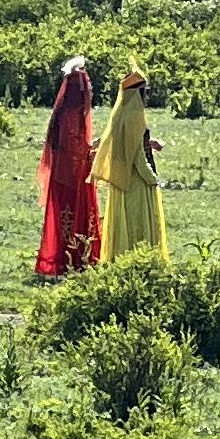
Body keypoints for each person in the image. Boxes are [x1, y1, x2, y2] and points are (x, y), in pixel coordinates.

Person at [35, 54, 99, 281]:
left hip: (70, 173)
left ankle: (76, 258)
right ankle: (70, 260)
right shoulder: (71, 115)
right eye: (87, 88)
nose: (89, 92)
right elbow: (73, 148)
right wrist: (92, 150)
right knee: (69, 217)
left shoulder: (68, 113)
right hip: (70, 176)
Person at [95, 66, 168, 264]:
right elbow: (137, 157)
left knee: (122, 225)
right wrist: (154, 179)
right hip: (136, 182)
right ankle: (140, 262)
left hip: (121, 180)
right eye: (146, 92)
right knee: (139, 223)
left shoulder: (120, 114)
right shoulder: (135, 116)